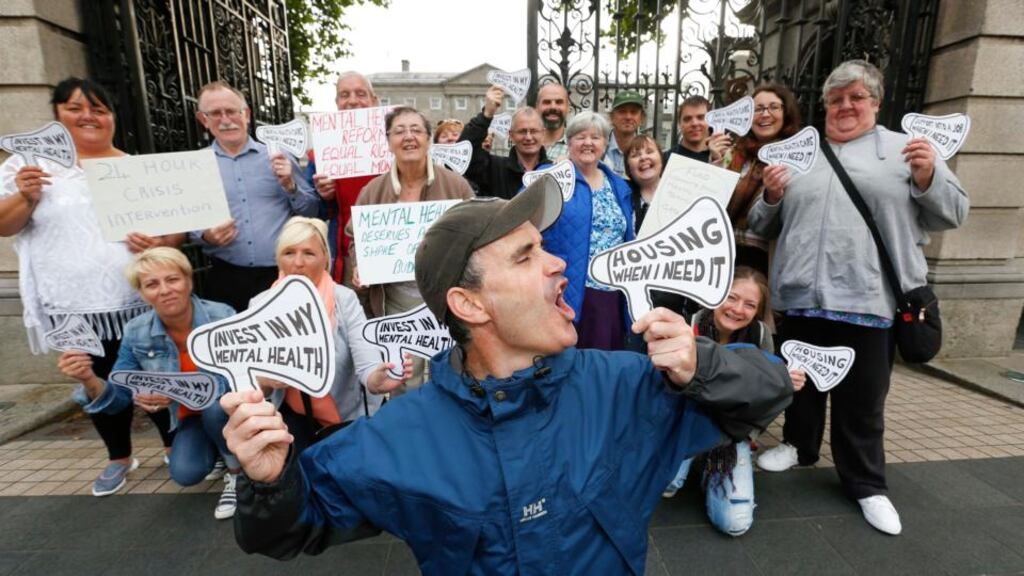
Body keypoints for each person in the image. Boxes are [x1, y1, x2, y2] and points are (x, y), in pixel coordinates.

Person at [221, 177, 793, 574]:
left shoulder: (627, 387)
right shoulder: (399, 435)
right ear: (470, 306)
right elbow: (286, 531)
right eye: (525, 256)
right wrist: (270, 480)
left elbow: (770, 386)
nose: (558, 263)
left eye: (544, 247)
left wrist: (701, 367)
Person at [750, 60, 969, 536]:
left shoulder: (905, 150)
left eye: (856, 97)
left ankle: (867, 483)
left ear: (875, 102)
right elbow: (760, 225)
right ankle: (798, 445)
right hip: (801, 297)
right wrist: (768, 197)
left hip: (869, 300)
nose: (845, 106)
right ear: (824, 105)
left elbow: (954, 212)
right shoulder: (802, 152)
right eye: (836, 99)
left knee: (862, 399)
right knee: (800, 383)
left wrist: (929, 175)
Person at [0, 77, 180, 497]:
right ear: (57, 114)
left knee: (152, 373)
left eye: (98, 109)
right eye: (75, 107)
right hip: (69, 302)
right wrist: (26, 197)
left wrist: (155, 243)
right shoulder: (27, 166)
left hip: (134, 299)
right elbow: (4, 225)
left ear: (112, 118)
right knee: (93, 379)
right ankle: (119, 457)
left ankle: (174, 445)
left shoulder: (132, 168)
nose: (88, 117)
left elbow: (172, 236)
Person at [58, 247, 241, 514]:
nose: (165, 290)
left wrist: (178, 392)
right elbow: (118, 397)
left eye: (173, 279)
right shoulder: (136, 331)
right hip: (190, 418)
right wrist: (88, 378)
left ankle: (237, 474)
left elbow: (242, 379)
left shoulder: (222, 315)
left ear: (188, 281)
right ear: (142, 293)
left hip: (231, 412)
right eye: (152, 284)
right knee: (185, 474)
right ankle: (218, 449)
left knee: (216, 408)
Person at [661, 267, 805, 538]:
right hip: (685, 423)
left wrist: (783, 385)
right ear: (715, 293)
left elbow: (763, 400)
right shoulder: (687, 326)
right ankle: (690, 457)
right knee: (665, 484)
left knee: (734, 523)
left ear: (758, 310)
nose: (738, 309)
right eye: (731, 297)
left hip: (731, 434)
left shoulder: (760, 336)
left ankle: (709, 465)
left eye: (750, 305)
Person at [346, 106, 474, 394]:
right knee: (403, 378)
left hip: (445, 301)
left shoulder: (456, 186)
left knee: (451, 372)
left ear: (429, 139)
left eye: (416, 130)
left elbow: (473, 237)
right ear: (389, 141)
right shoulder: (372, 191)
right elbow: (356, 239)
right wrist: (360, 266)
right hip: (395, 303)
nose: (409, 137)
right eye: (399, 131)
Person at [255, 216, 405, 450]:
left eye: (309, 253)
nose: (298, 263)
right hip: (289, 419)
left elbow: (367, 364)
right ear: (278, 259)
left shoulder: (344, 299)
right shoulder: (259, 305)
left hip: (344, 415)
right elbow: (252, 384)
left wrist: (378, 379)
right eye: (289, 252)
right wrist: (264, 382)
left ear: (325, 259)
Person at [192, 80, 318, 313]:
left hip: (280, 276)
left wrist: (291, 187)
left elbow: (312, 212)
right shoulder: (197, 167)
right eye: (215, 113)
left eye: (231, 111)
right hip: (225, 277)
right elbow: (187, 222)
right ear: (204, 120)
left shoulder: (279, 157)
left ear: (246, 114)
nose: (225, 119)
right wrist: (205, 236)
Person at [541, 111, 633, 350]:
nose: (588, 143)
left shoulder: (619, 185)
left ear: (605, 144)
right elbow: (525, 220)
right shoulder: (552, 178)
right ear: (569, 142)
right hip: (569, 290)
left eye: (596, 137)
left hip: (612, 292)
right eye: (580, 137)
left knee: (603, 366)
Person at [719, 83, 802, 274]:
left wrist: (773, 196)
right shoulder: (733, 153)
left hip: (766, 258)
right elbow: (714, 202)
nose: (765, 114)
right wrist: (715, 162)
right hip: (723, 252)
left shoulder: (795, 160)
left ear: (786, 113)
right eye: (758, 109)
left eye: (774, 107)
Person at [306, 72, 381, 283]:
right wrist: (324, 197)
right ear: (337, 102)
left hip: (391, 247)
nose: (353, 101)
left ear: (374, 101)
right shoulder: (321, 152)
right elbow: (310, 212)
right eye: (345, 95)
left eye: (361, 93)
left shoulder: (394, 143)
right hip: (347, 253)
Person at [623, 134, 698, 320]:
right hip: (634, 294)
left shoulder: (685, 193)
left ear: (662, 159)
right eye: (635, 155)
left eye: (650, 152)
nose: (643, 158)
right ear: (628, 168)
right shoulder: (622, 196)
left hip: (675, 294)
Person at [461, 85, 550, 199]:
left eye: (533, 131)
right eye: (522, 131)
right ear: (511, 135)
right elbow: (465, 153)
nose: (528, 137)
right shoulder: (493, 168)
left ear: (543, 134)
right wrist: (486, 115)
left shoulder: (554, 170)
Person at [663, 95, 730, 165]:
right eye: (687, 119)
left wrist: (718, 160)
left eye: (701, 117)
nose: (694, 123)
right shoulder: (666, 159)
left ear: (711, 121)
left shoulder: (727, 155)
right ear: (679, 124)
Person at [604, 90, 646, 178]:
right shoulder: (600, 146)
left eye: (634, 112)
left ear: (641, 118)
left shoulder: (648, 148)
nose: (628, 117)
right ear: (612, 117)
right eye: (622, 112)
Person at [536, 82, 571, 161]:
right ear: (537, 107)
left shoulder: (577, 148)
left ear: (568, 107)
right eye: (547, 102)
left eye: (559, 102)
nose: (553, 107)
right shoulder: (525, 142)